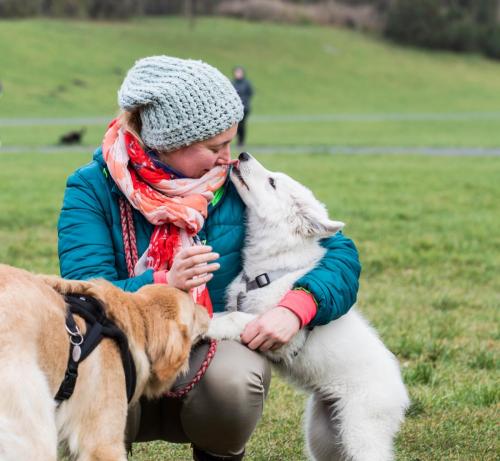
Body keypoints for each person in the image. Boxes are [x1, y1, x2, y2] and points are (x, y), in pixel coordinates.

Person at [57, 56, 361, 461]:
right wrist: (162, 284)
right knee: (83, 374)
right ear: (167, 142)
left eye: (230, 142)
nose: (227, 157)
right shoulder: (91, 189)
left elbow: (338, 251)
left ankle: (218, 451)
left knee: (236, 380)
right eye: (215, 146)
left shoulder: (236, 186)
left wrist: (296, 307)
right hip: (123, 348)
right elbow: (86, 292)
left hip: (207, 351)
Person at [231, 66, 253, 147]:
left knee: (242, 124)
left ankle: (241, 141)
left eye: (239, 72)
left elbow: (250, 93)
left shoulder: (246, 83)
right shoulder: (233, 83)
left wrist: (245, 101)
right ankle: (237, 139)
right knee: (236, 124)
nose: (238, 74)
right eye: (237, 72)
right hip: (236, 108)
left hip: (245, 108)